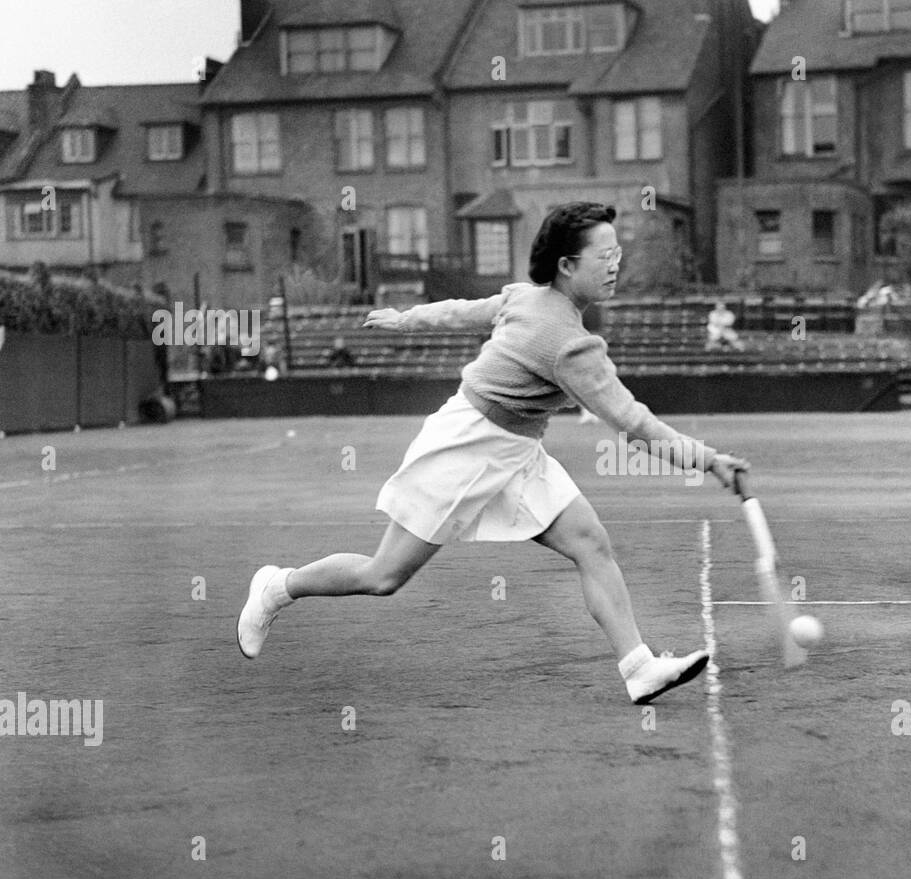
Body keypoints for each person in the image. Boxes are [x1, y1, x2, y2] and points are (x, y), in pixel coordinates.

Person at [237, 202, 749, 704]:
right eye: (604, 256)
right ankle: (279, 586)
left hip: (518, 450)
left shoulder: (531, 301)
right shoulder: (566, 340)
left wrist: (403, 318)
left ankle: (639, 669)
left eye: (618, 254)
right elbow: (633, 423)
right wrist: (709, 460)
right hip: (465, 446)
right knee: (383, 576)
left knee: (590, 542)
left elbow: (460, 312)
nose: (616, 265)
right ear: (567, 265)